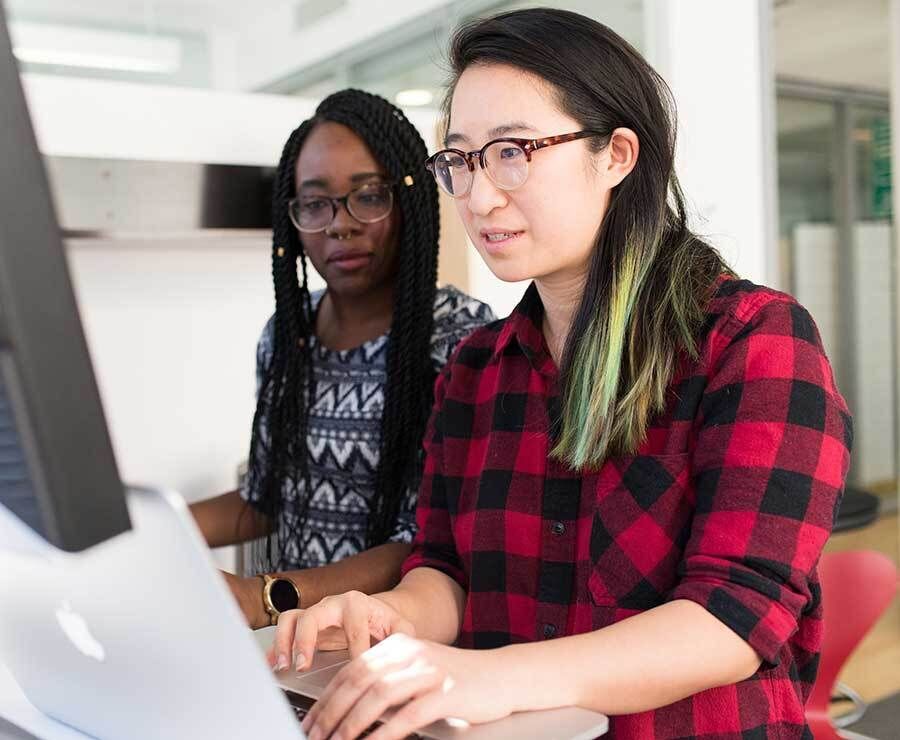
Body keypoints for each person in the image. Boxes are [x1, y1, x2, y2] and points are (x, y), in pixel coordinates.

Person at [269, 9, 853, 740]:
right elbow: (446, 569)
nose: (479, 197)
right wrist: (392, 614)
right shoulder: (475, 369)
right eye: (460, 160)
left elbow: (734, 617)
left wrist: (490, 675)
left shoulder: (753, 341)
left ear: (616, 155)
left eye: (513, 151)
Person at [190, 89, 493, 630]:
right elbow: (265, 497)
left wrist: (268, 597)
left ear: (409, 202)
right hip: (295, 648)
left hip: (397, 646)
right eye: (315, 203)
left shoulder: (459, 339)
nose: (340, 224)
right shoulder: (287, 335)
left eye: (368, 196)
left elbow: (429, 542)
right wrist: (148, 530)